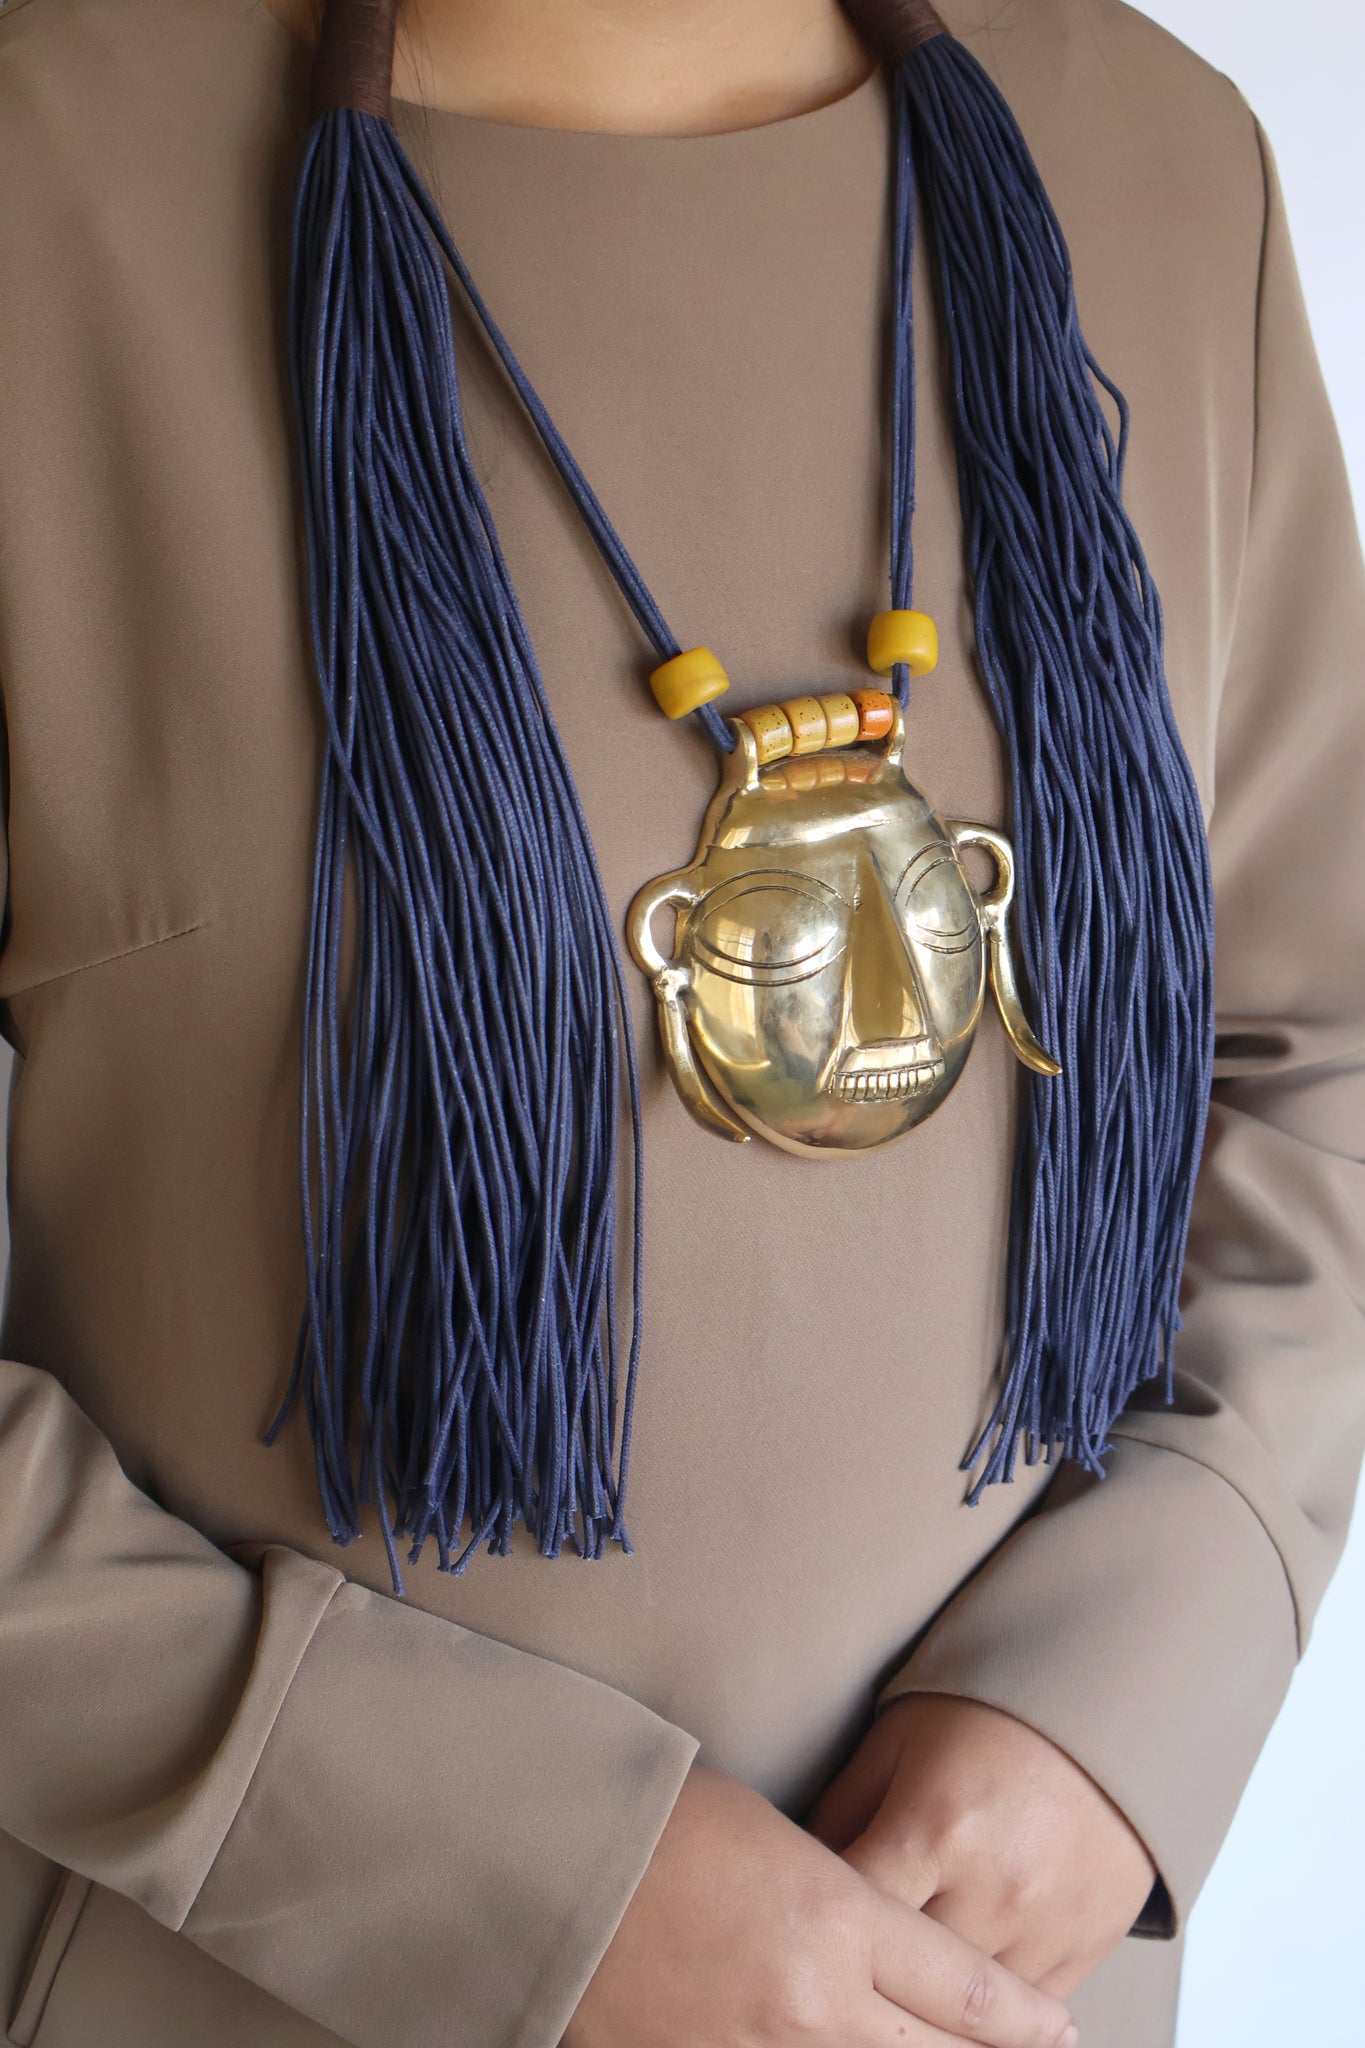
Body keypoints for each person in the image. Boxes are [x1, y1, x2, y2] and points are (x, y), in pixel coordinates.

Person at [0, 1, 1360, 2045]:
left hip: (995, 1988)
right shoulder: (45, 175)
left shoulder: (1158, 161)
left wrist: (1132, 1685)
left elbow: (1313, 1047)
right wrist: (499, 1869)